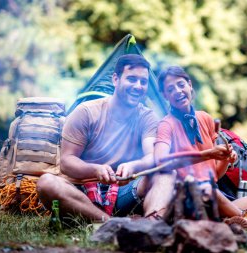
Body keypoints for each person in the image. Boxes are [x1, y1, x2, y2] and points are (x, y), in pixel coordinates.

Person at [37, 54, 174, 222]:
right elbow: (67, 162)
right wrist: (95, 169)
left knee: (167, 174)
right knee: (47, 183)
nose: (138, 86)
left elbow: (153, 156)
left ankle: (152, 225)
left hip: (124, 192)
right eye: (131, 79)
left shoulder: (147, 117)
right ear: (115, 79)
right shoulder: (86, 112)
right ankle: (109, 223)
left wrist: (134, 165)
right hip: (82, 191)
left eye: (143, 82)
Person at [154, 66, 247, 228]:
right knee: (205, 188)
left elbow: (215, 176)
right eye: (170, 89)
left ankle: (243, 219)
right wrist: (208, 154)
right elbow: (160, 161)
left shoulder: (204, 118)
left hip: (219, 198)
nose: (178, 91)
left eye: (181, 84)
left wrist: (226, 160)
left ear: (189, 85)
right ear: (165, 95)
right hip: (193, 199)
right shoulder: (166, 125)